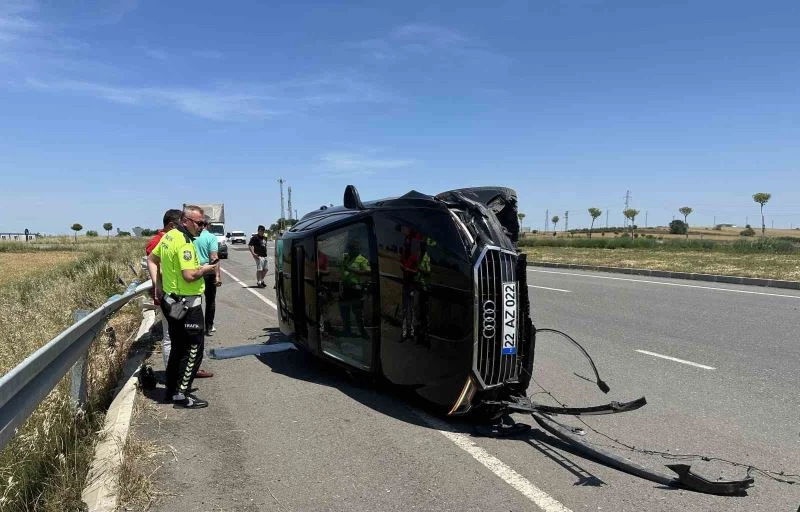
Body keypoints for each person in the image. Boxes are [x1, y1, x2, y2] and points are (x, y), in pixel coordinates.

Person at [147, 205, 217, 408]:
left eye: (204, 223)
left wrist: (158, 286)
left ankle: (171, 390)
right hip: (187, 305)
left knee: (177, 347)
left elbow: (152, 259)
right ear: (185, 221)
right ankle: (182, 394)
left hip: (171, 302)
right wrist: (206, 269)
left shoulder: (169, 237)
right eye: (199, 223)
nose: (202, 227)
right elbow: (189, 275)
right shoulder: (184, 243)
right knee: (193, 349)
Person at [146, 209, 181, 368]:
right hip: (169, 296)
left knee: (179, 333)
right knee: (171, 335)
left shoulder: (169, 239)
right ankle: (171, 372)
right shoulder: (158, 242)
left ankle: (181, 368)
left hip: (176, 295)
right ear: (172, 225)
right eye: (181, 225)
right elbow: (156, 267)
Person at [193, 215, 222, 336]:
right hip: (208, 272)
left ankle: (196, 326)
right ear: (208, 225)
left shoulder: (192, 237)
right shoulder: (211, 237)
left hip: (194, 272)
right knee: (210, 301)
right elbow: (214, 257)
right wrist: (217, 276)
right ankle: (209, 327)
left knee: (195, 301)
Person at [339, 238, 371, 338]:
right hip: (344, 288)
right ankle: (346, 331)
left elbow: (368, 272)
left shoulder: (362, 259)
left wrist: (351, 270)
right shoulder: (344, 257)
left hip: (355, 289)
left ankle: (363, 333)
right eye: (350, 247)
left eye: (354, 248)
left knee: (358, 313)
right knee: (344, 312)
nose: (352, 249)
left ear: (358, 248)